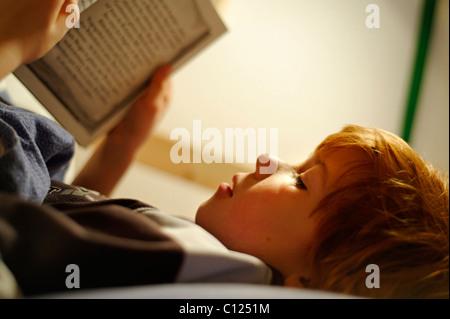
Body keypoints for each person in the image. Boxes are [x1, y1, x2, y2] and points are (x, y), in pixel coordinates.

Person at [0, 0, 448, 299]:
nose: (267, 162)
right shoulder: (199, 260)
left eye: (301, 181)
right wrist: (122, 146)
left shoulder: (212, 272)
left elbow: (17, 221)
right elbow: (66, 219)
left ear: (310, 281)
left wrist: (11, 46)